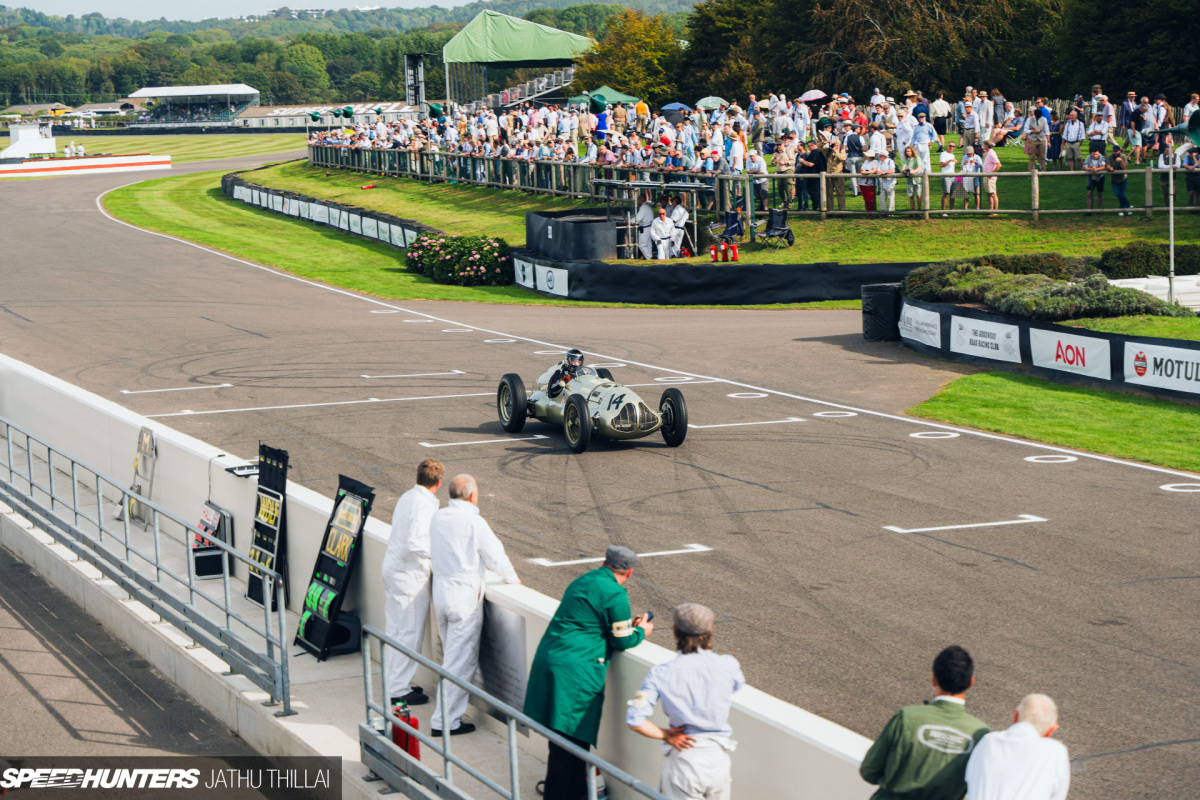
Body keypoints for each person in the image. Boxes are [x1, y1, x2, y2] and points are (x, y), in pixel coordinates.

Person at [526, 546, 653, 800]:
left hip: (551, 660)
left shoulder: (583, 580)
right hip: (576, 671)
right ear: (628, 572)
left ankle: (572, 793)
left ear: (605, 562)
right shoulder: (616, 594)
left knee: (559, 739)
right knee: (571, 742)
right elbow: (621, 641)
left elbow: (591, 620)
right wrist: (641, 631)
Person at [428, 474, 520, 736]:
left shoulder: (438, 517)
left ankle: (445, 718)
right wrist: (512, 579)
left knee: (450, 659)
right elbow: (496, 556)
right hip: (463, 603)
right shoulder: (474, 522)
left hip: (441, 595)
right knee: (459, 664)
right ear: (472, 496)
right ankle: (444, 722)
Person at [627, 604, 745, 800]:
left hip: (685, 760)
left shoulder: (661, 673)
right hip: (719, 760)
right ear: (710, 630)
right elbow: (736, 686)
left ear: (675, 630)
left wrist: (666, 735)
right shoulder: (728, 664)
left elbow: (635, 721)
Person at [860, 646, 990, 800]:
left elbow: (869, 770)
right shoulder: (981, 733)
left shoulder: (907, 717)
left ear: (934, 678)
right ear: (971, 682)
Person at [381, 458, 444, 707]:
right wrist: (439, 558)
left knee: (395, 630)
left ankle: (395, 682)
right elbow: (417, 543)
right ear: (438, 482)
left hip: (393, 569)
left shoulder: (408, 497)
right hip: (409, 576)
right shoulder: (424, 504)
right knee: (408, 634)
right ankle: (398, 690)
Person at [965, 694, 1070, 800]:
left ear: (1015, 716)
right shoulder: (1055, 752)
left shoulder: (988, 741)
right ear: (1051, 730)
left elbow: (969, 780)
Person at [1024, 105, 1048, 172]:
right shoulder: (1029, 120)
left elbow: (1047, 130)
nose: (1038, 118)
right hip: (1032, 140)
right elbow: (1025, 130)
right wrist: (1034, 131)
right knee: (1032, 157)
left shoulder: (1044, 119)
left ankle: (1044, 172)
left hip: (1041, 139)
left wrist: (1048, 141)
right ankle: (1030, 172)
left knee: (1042, 157)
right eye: (1037, 117)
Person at [1110, 144, 1132, 215]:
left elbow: (1124, 168)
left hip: (1123, 178)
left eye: (1116, 151)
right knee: (1117, 194)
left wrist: (1121, 161)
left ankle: (1121, 208)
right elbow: (1107, 165)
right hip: (1114, 179)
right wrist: (1110, 168)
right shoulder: (1109, 157)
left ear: (1119, 151)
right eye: (1114, 151)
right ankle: (1128, 206)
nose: (1115, 153)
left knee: (1122, 195)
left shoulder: (1123, 156)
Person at [900, 145, 924, 211]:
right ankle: (912, 209)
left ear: (912, 151)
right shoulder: (905, 159)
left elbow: (919, 167)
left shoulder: (917, 158)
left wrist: (913, 171)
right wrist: (905, 171)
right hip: (910, 180)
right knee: (911, 195)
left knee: (918, 195)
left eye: (909, 151)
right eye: (907, 151)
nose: (908, 152)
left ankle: (919, 208)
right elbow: (903, 168)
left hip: (917, 179)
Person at [981, 141, 1001, 216]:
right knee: (988, 193)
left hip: (990, 177)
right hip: (986, 175)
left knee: (993, 193)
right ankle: (991, 210)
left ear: (987, 146)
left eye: (984, 144)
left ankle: (996, 211)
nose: (983, 146)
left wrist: (992, 173)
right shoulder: (987, 153)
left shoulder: (992, 154)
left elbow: (998, 164)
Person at [876, 148, 898, 212]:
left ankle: (891, 212)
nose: (879, 157)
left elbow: (892, 170)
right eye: (879, 156)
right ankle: (883, 211)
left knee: (891, 198)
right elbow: (878, 170)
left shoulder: (890, 161)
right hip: (882, 183)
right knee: (882, 198)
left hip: (890, 183)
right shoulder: (880, 162)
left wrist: (883, 172)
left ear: (884, 156)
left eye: (880, 156)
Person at [635, 192, 655, 259]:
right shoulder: (648, 207)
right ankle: (650, 257)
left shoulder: (643, 208)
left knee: (642, 245)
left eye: (639, 198)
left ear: (642, 199)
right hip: (649, 227)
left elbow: (637, 219)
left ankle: (649, 257)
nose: (638, 200)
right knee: (648, 244)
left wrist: (629, 220)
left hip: (644, 228)